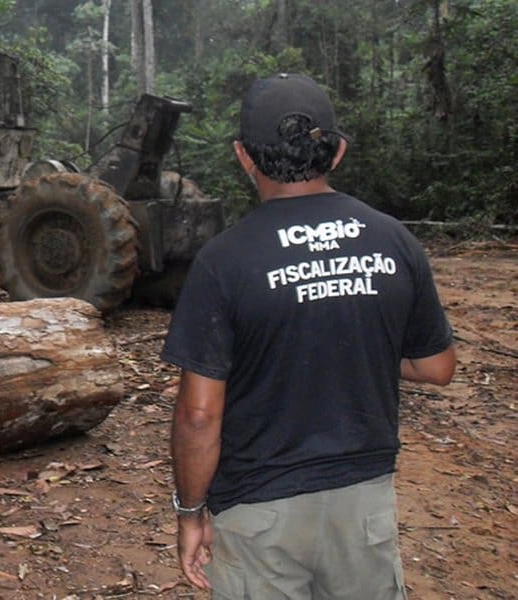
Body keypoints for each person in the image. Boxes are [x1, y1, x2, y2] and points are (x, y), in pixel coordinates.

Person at [161, 73, 456, 599]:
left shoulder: (223, 262)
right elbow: (437, 366)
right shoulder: (394, 239)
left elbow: (200, 414)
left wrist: (189, 512)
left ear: (243, 156)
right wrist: (346, 340)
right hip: (363, 508)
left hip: (260, 515)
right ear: (337, 151)